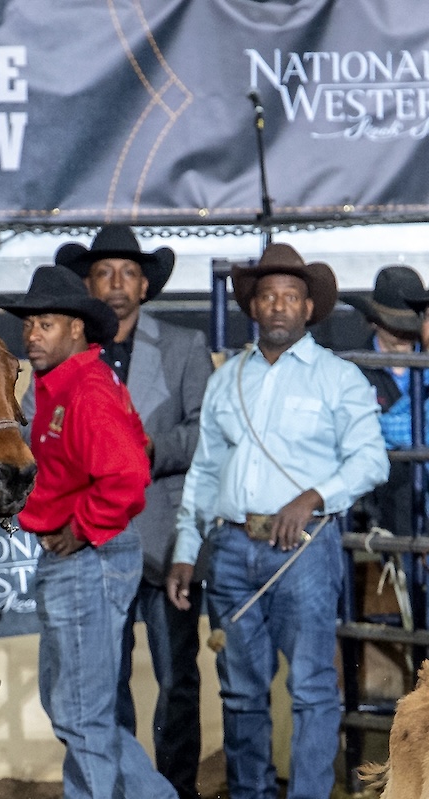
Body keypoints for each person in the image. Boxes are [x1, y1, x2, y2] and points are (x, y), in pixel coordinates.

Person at [166, 243, 388, 799]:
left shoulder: (338, 378)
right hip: (234, 545)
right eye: (269, 296)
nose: (280, 306)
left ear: (309, 308)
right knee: (241, 691)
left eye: (291, 296)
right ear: (254, 306)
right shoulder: (227, 380)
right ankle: (251, 793)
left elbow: (372, 461)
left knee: (312, 686)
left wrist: (314, 495)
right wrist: (187, 549)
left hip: (305, 549)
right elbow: (206, 470)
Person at [6, 265, 176, 799]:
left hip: (88, 556)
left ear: (77, 329)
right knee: (75, 708)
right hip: (80, 556)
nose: (32, 335)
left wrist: (80, 529)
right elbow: (132, 451)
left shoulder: (87, 389)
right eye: (30, 325)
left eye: (46, 325)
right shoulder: (69, 385)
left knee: (81, 714)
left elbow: (129, 476)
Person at [54, 225, 212, 799]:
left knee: (176, 680)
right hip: (92, 542)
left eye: (127, 273)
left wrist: (146, 449)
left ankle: (175, 789)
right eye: (103, 273)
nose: (116, 284)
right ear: (88, 285)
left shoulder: (183, 346)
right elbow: (30, 430)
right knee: (102, 682)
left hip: (164, 541)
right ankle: (120, 788)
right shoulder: (67, 352)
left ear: (146, 286)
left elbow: (206, 437)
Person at [347, 265, 429, 537]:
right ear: (374, 320)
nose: (404, 333)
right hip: (383, 513)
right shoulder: (353, 371)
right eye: (396, 325)